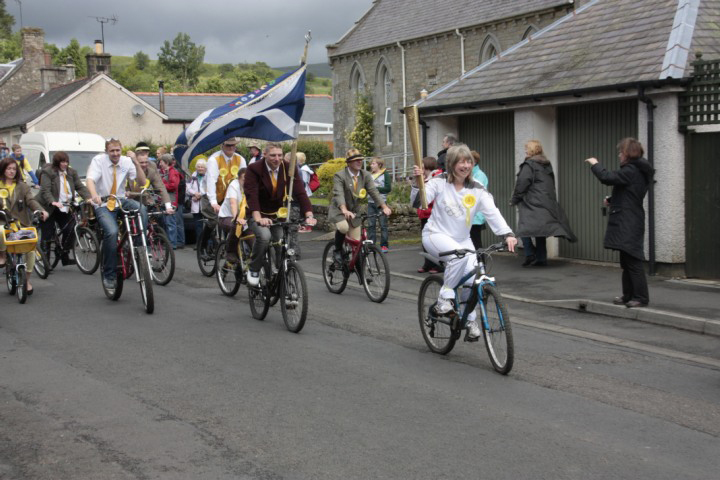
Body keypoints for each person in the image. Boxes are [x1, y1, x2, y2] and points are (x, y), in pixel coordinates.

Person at [413, 143, 517, 339]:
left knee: (472, 279)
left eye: (468, 161)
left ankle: (469, 319)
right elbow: (419, 203)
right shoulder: (439, 182)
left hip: (463, 239)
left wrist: (507, 234)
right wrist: (417, 183)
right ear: (452, 164)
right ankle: (444, 298)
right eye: (461, 162)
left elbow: (492, 212)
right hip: (436, 234)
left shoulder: (477, 188)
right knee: (458, 258)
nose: (466, 165)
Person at [585, 138, 653, 308]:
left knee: (633, 261)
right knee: (626, 261)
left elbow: (607, 177)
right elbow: (629, 194)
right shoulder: (637, 171)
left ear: (628, 153)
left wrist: (595, 164)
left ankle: (641, 298)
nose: (619, 155)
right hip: (630, 218)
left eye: (621, 152)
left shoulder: (631, 170)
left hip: (628, 221)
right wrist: (612, 200)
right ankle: (628, 295)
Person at [244, 142, 316, 286]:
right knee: (265, 237)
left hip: (276, 214)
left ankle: (282, 276)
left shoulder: (289, 168)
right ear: (264, 155)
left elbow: (300, 192)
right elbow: (252, 195)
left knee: (281, 242)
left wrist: (309, 215)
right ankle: (254, 268)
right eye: (273, 155)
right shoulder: (254, 169)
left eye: (280, 155)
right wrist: (258, 218)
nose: (277, 159)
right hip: (257, 212)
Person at [85, 138, 147, 293]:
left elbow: (142, 182)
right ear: (107, 151)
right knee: (111, 232)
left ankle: (139, 247)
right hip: (104, 204)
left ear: (121, 150)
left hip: (120, 200)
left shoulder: (126, 161)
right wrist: (94, 195)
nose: (115, 153)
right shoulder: (99, 161)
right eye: (112, 151)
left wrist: (136, 162)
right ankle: (109, 275)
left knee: (142, 209)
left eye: (117, 150)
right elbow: (90, 180)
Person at [510, 140, 576, 267]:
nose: (525, 151)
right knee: (540, 230)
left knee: (524, 228)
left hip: (531, 201)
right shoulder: (546, 164)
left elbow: (522, 184)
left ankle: (530, 254)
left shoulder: (529, 165)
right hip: (545, 201)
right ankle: (541, 258)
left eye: (526, 149)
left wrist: (514, 199)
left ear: (531, 150)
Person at [328, 149, 392, 265]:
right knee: (343, 228)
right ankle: (337, 250)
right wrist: (344, 210)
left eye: (361, 160)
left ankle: (357, 267)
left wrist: (384, 206)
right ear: (349, 162)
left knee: (357, 245)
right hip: (339, 209)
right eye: (356, 160)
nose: (359, 162)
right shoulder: (340, 175)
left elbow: (373, 191)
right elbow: (339, 194)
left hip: (354, 211)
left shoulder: (365, 175)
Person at [0, 157, 49, 294]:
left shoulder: (23, 186)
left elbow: (31, 201)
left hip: (21, 224)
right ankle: (2, 255)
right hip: (3, 222)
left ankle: (27, 279)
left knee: (31, 249)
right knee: (0, 231)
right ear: (3, 170)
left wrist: (41, 210)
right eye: (8, 169)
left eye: (14, 169)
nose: (11, 171)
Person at [37, 151, 92, 266]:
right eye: (62, 162)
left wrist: (88, 198)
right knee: (47, 233)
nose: (65, 164)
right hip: (48, 206)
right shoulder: (48, 172)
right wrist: (52, 201)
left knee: (71, 229)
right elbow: (45, 190)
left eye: (66, 162)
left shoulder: (72, 172)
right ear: (57, 163)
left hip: (65, 206)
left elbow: (79, 186)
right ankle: (45, 261)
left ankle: (64, 254)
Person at [412, 156, 443, 273]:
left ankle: (439, 264)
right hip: (424, 214)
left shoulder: (437, 178)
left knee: (435, 241)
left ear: (426, 166)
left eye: (422, 166)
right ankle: (428, 263)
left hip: (432, 214)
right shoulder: (425, 178)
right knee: (426, 241)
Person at [206, 137, 247, 214]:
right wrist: (213, 202)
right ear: (222, 145)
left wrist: (244, 197)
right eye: (228, 145)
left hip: (233, 198)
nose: (231, 147)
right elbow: (211, 182)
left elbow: (244, 180)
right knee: (215, 219)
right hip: (216, 198)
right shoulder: (214, 159)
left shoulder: (241, 159)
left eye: (233, 145)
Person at [218, 168, 249, 263]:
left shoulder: (252, 186)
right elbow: (233, 203)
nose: (247, 182)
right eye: (244, 179)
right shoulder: (234, 185)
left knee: (254, 239)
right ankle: (230, 252)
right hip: (227, 217)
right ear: (238, 179)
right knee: (237, 226)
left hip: (245, 219)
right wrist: (236, 218)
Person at [368, 156, 392, 252]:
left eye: (373, 163)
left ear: (379, 165)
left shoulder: (385, 174)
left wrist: (374, 189)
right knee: (371, 225)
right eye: (371, 164)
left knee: (383, 225)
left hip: (382, 203)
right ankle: (371, 246)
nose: (371, 165)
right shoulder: (369, 175)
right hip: (370, 203)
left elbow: (388, 188)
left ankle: (384, 245)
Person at [157, 154, 181, 248]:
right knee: (166, 223)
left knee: (170, 223)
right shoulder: (165, 172)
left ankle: (172, 244)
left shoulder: (173, 172)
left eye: (161, 162)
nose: (160, 164)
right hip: (165, 201)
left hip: (171, 201)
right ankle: (168, 243)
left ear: (166, 162)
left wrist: (161, 186)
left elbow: (173, 186)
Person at [469, 151, 489, 250]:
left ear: (475, 161)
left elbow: (475, 194)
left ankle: (481, 260)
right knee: (471, 244)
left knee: (476, 243)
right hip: (469, 215)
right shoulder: (470, 174)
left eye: (468, 160)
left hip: (476, 215)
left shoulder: (479, 175)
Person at [186, 158, 207, 247]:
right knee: (198, 226)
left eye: (202, 167)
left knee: (208, 226)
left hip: (206, 205)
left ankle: (208, 244)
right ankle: (199, 244)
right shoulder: (192, 176)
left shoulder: (208, 176)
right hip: (196, 204)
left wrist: (200, 194)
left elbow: (210, 188)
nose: (200, 168)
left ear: (205, 168)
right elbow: (187, 188)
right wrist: (194, 193)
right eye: (198, 167)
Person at [169, 154, 188, 249]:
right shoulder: (176, 170)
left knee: (178, 221)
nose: (172, 162)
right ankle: (177, 240)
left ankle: (180, 241)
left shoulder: (178, 171)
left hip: (178, 200)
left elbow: (177, 186)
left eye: (173, 160)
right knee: (175, 221)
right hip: (177, 199)